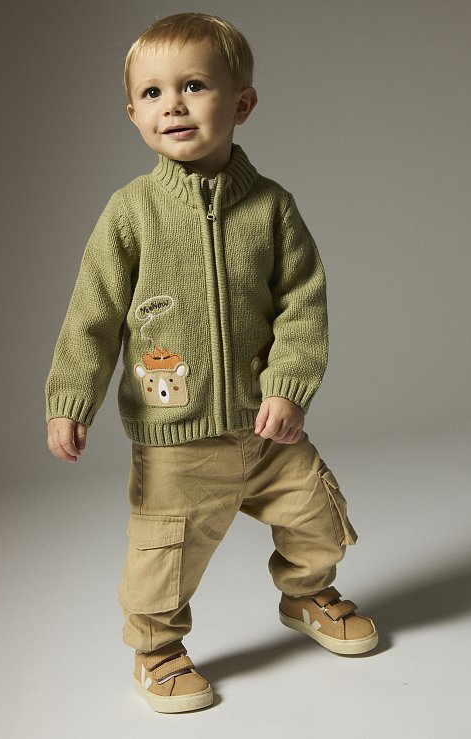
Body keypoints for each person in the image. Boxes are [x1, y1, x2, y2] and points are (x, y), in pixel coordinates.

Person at [45, 12, 378, 714]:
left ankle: (308, 594)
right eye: (153, 93)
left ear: (242, 103)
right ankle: (157, 648)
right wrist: (71, 400)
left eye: (193, 86)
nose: (173, 105)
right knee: (163, 555)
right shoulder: (131, 212)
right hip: (177, 436)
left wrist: (289, 387)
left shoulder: (272, 207)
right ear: (133, 114)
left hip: (266, 427)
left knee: (317, 514)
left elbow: (303, 303)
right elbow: (92, 315)